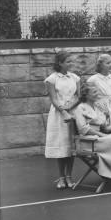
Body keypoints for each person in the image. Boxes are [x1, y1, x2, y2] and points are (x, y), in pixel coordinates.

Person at [44, 51, 81, 189]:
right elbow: (53, 99)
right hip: (59, 115)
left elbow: (78, 96)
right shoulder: (51, 79)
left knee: (71, 147)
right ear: (60, 63)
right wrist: (64, 111)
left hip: (73, 113)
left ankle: (69, 176)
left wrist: (70, 107)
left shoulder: (75, 78)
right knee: (61, 147)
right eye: (68, 61)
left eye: (72, 61)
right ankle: (61, 177)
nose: (71, 64)